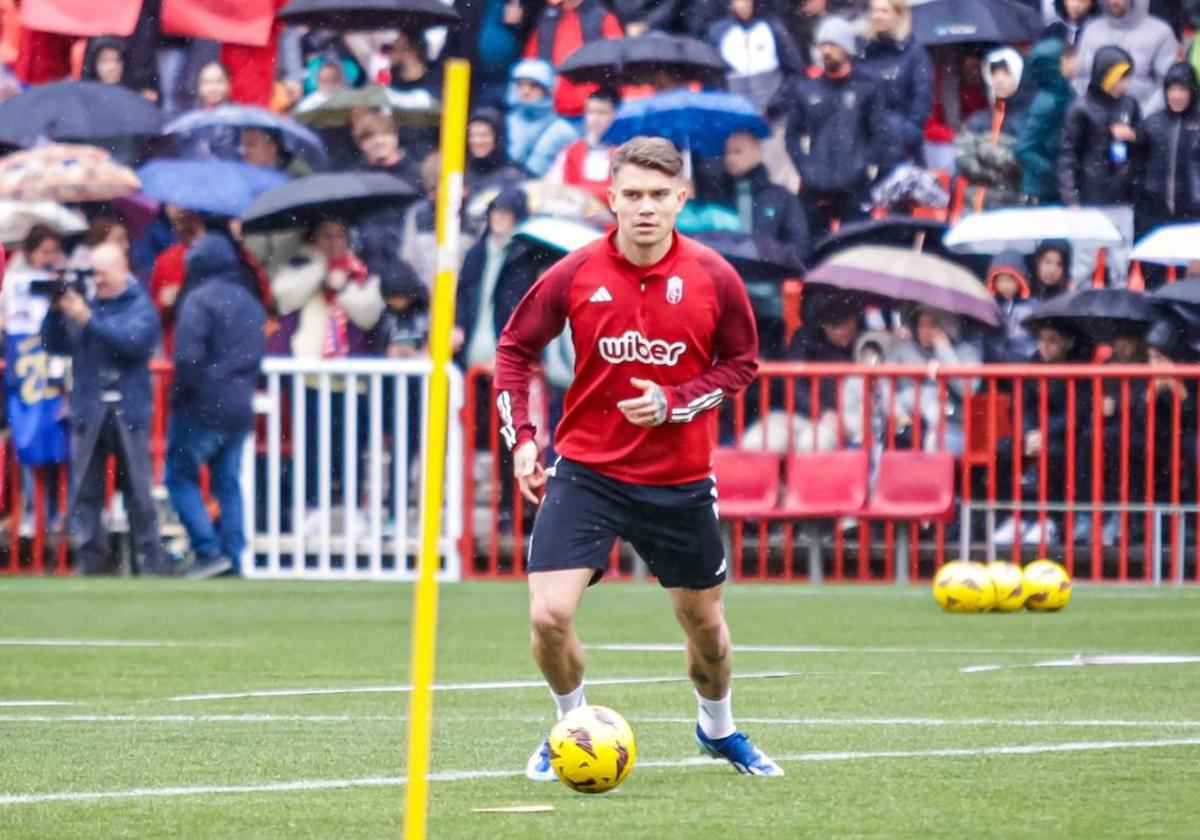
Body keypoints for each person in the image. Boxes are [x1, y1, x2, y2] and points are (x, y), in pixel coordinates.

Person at [492, 137, 781, 780]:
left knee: (704, 626)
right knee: (548, 615)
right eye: (632, 195)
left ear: (681, 199)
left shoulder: (715, 276)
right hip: (588, 472)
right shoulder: (574, 272)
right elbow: (514, 349)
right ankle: (573, 725)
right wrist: (525, 441)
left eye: (658, 196)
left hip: (678, 479)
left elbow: (741, 364)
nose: (644, 208)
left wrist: (675, 402)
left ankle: (718, 728)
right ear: (611, 199)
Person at [41, 243, 166, 575]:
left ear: (122, 268)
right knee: (85, 491)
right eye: (93, 273)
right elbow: (54, 344)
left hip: (129, 408)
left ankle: (150, 564)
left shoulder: (140, 306)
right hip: (88, 407)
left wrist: (88, 318)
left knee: (139, 493)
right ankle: (89, 562)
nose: (97, 280)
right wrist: (56, 311)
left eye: (102, 273)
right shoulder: (88, 302)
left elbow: (133, 345)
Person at [165, 233, 266, 579]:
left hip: (202, 403)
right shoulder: (251, 302)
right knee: (228, 482)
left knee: (179, 477)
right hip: (240, 403)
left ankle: (208, 550)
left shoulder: (198, 301)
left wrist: (178, 397)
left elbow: (188, 358)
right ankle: (234, 555)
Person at [775, 15, 883, 238]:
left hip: (853, 188)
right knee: (812, 254)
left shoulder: (866, 89)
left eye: (833, 44)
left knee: (855, 251)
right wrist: (807, 169)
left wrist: (864, 168)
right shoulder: (806, 89)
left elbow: (879, 135)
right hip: (815, 189)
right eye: (823, 44)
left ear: (846, 48)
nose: (826, 51)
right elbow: (792, 136)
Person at [719, 129, 809, 357]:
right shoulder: (717, 198)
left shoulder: (780, 198)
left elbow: (799, 246)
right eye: (727, 152)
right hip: (724, 301)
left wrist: (768, 257)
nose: (731, 158)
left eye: (738, 151)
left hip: (769, 301)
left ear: (758, 152)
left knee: (768, 372)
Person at [1058, 45, 1142, 208]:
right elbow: (1068, 156)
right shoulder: (1081, 109)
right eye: (1120, 78)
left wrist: (1134, 136)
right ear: (1106, 77)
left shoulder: (1129, 105)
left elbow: (1144, 144)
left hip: (1124, 193)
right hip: (1091, 193)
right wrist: (1071, 197)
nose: (1124, 84)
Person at [891, 307, 981, 454]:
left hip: (951, 426)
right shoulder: (903, 350)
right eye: (922, 326)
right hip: (908, 426)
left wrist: (944, 350)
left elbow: (968, 389)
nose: (926, 331)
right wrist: (899, 414)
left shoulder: (966, 352)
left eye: (933, 326)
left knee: (937, 443)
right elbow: (887, 388)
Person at [859, 0, 933, 170]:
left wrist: (905, 132)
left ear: (898, 15)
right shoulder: (863, 51)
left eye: (884, 11)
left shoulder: (913, 53)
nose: (877, 16)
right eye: (875, 10)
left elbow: (922, 97)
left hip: (903, 147)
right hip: (866, 146)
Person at [955, 47, 1030, 211]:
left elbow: (1020, 161)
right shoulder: (978, 119)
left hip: (1011, 209)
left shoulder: (1029, 120)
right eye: (994, 74)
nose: (999, 80)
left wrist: (983, 150)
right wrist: (992, 170)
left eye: (1006, 73)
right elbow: (962, 157)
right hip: (974, 208)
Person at [1073, 0, 1177, 116]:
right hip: (1094, 121)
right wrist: (1089, 113)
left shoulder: (1161, 33)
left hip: (1142, 121)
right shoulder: (1091, 31)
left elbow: (1168, 84)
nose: (1114, 1)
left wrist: (1140, 116)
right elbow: (1079, 78)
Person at [523, 0, 623, 119]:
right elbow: (530, 65)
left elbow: (617, 64)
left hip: (591, 113)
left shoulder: (602, 18)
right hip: (549, 110)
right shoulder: (547, 18)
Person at [706, 0, 804, 114]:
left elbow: (794, 67)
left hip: (774, 112)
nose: (743, 6)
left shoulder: (772, 27)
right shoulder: (718, 32)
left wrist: (780, 100)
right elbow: (712, 74)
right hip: (736, 113)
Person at [1137, 62, 1200, 237]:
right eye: (1172, 90)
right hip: (1154, 210)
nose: (1176, 96)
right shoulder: (1152, 124)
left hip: (1193, 211)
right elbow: (1138, 163)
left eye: (1182, 90)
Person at [1016, 39, 1077, 205]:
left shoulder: (1066, 94)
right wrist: (1053, 170)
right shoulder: (1046, 102)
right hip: (1041, 191)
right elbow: (1023, 148)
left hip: (1056, 187)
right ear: (1057, 63)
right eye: (1068, 58)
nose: (1075, 62)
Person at [505, 59, 580, 177]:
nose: (525, 91)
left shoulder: (563, 131)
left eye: (533, 86)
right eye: (521, 85)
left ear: (547, 90)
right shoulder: (505, 123)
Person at [149, 205, 206, 355]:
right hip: (176, 350)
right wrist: (163, 303)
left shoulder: (225, 255)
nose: (185, 226)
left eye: (191, 220)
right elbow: (151, 315)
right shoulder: (165, 261)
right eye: (179, 221)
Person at [546, 87, 619, 202]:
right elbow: (552, 189)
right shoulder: (570, 152)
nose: (596, 118)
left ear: (614, 115)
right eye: (591, 112)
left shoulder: (621, 156)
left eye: (602, 113)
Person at [983, 250, 1037, 362]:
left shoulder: (1031, 307)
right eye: (1000, 281)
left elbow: (1027, 343)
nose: (1004, 286)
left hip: (1024, 365)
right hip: (999, 365)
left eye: (1009, 280)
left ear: (1020, 281)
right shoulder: (993, 306)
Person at [465, 107, 524, 198]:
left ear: (497, 138)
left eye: (484, 135)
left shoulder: (512, 177)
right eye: (472, 135)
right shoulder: (461, 172)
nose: (477, 141)